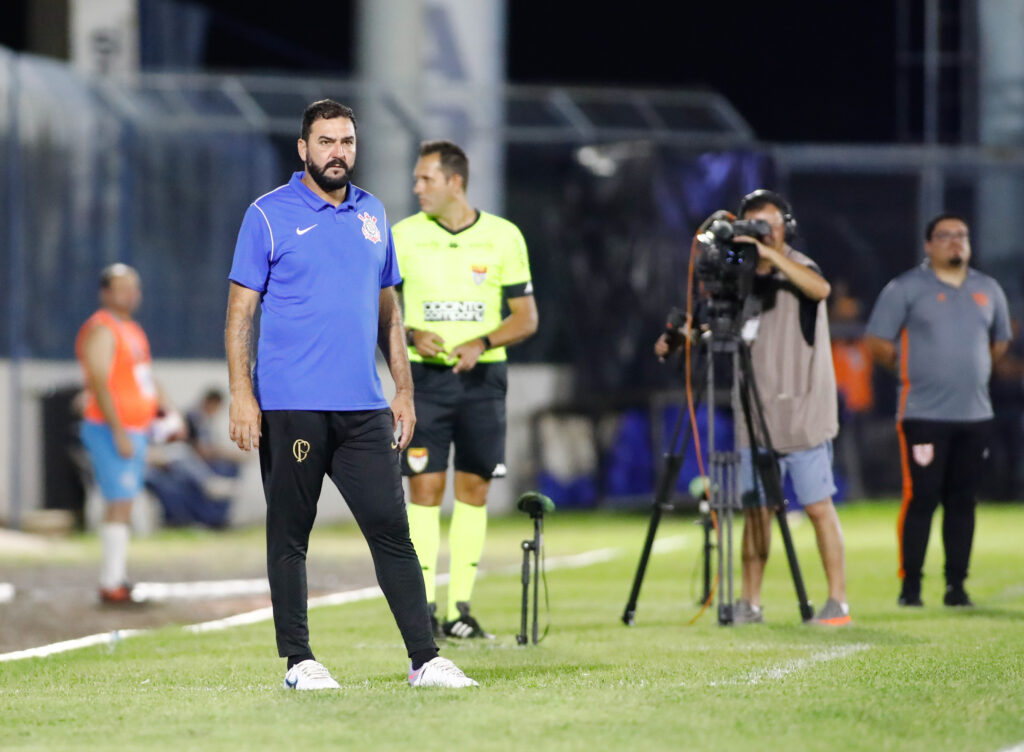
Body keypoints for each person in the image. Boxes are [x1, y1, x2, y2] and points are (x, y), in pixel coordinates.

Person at [225, 100, 476, 690]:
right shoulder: (267, 215)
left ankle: (425, 659)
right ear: (303, 148)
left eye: (347, 142)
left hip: (364, 406)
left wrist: (404, 391)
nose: (338, 152)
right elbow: (240, 314)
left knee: (392, 529)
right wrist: (242, 393)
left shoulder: (374, 213)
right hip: (292, 405)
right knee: (291, 532)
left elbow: (390, 312)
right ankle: (299, 662)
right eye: (327, 141)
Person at [656, 190, 850, 626]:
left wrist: (770, 255)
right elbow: (719, 328)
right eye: (755, 226)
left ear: (787, 228)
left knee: (818, 507)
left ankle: (838, 601)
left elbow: (820, 289)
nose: (765, 233)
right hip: (755, 415)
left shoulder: (800, 268)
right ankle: (750, 603)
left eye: (772, 225)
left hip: (802, 414)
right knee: (757, 513)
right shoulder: (742, 279)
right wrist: (683, 334)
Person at [391, 140, 539, 640]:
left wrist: (481, 341)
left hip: (482, 381)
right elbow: (381, 308)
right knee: (425, 489)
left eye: (425, 179)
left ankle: (459, 610)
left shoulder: (503, 236)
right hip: (424, 382)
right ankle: (426, 609)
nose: (417, 188)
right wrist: (411, 335)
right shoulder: (402, 236)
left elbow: (526, 318)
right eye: (416, 179)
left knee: (473, 492)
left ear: (455, 182)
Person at [865, 213, 1010, 608]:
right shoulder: (907, 288)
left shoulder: (988, 289)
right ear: (928, 245)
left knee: (963, 500)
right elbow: (877, 341)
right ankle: (910, 586)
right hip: (923, 412)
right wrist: (914, 371)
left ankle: (956, 585)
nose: (955, 242)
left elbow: (999, 342)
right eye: (945, 236)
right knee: (922, 497)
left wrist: (971, 370)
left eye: (961, 235)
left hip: (975, 414)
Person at [76, 263, 178, 603]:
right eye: (121, 288)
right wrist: (117, 430)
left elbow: (145, 377)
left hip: (135, 429)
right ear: (105, 293)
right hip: (111, 429)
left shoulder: (131, 330)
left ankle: (116, 578)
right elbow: (99, 382)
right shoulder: (102, 329)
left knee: (125, 502)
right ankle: (111, 584)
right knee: (118, 503)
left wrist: (168, 412)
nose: (130, 294)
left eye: (134, 288)